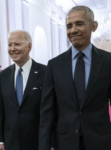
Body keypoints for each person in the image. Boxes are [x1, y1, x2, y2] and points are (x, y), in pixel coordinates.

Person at [39, 6, 111, 150]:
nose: (73, 30)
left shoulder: (108, 61)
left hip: (100, 141)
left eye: (79, 24)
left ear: (94, 26)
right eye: (69, 26)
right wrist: (45, 146)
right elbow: (47, 111)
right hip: (65, 141)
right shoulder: (54, 65)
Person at [0, 30, 48, 150]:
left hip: (38, 141)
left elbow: (51, 110)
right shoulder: (3, 76)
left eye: (17, 44)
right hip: (10, 141)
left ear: (29, 47)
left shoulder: (45, 72)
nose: (12, 49)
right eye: (9, 45)